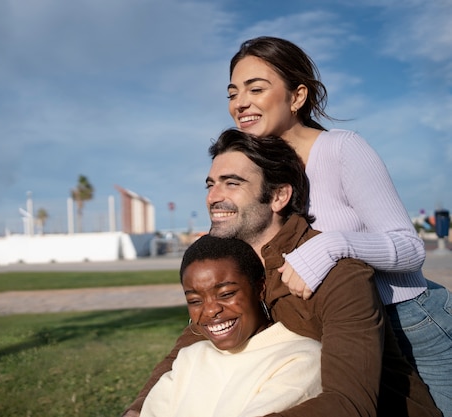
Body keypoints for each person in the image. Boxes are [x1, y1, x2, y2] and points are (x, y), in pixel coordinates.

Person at [122, 129, 441, 417]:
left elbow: (349, 404)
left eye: (232, 183)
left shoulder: (338, 274)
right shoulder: (237, 262)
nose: (213, 197)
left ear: (279, 196)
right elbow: (189, 341)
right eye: (211, 184)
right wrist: (137, 410)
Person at [226, 36, 452, 414]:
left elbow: (410, 250)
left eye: (256, 88)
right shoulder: (263, 170)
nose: (240, 103)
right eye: (233, 93)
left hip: (410, 323)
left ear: (297, 97)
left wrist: (331, 245)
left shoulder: (343, 149)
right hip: (340, 331)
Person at [141, 234, 322, 417]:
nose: (211, 310)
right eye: (195, 300)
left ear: (259, 289)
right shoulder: (189, 358)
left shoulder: (301, 359)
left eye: (226, 294)